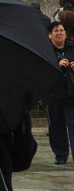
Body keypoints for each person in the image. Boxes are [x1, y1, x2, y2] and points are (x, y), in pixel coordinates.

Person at [45, 21, 74, 164]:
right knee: (56, 126)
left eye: (61, 30)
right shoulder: (46, 50)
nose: (59, 33)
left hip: (71, 93)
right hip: (54, 94)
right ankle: (61, 155)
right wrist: (57, 65)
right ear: (50, 34)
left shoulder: (71, 47)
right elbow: (41, 69)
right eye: (56, 31)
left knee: (73, 124)